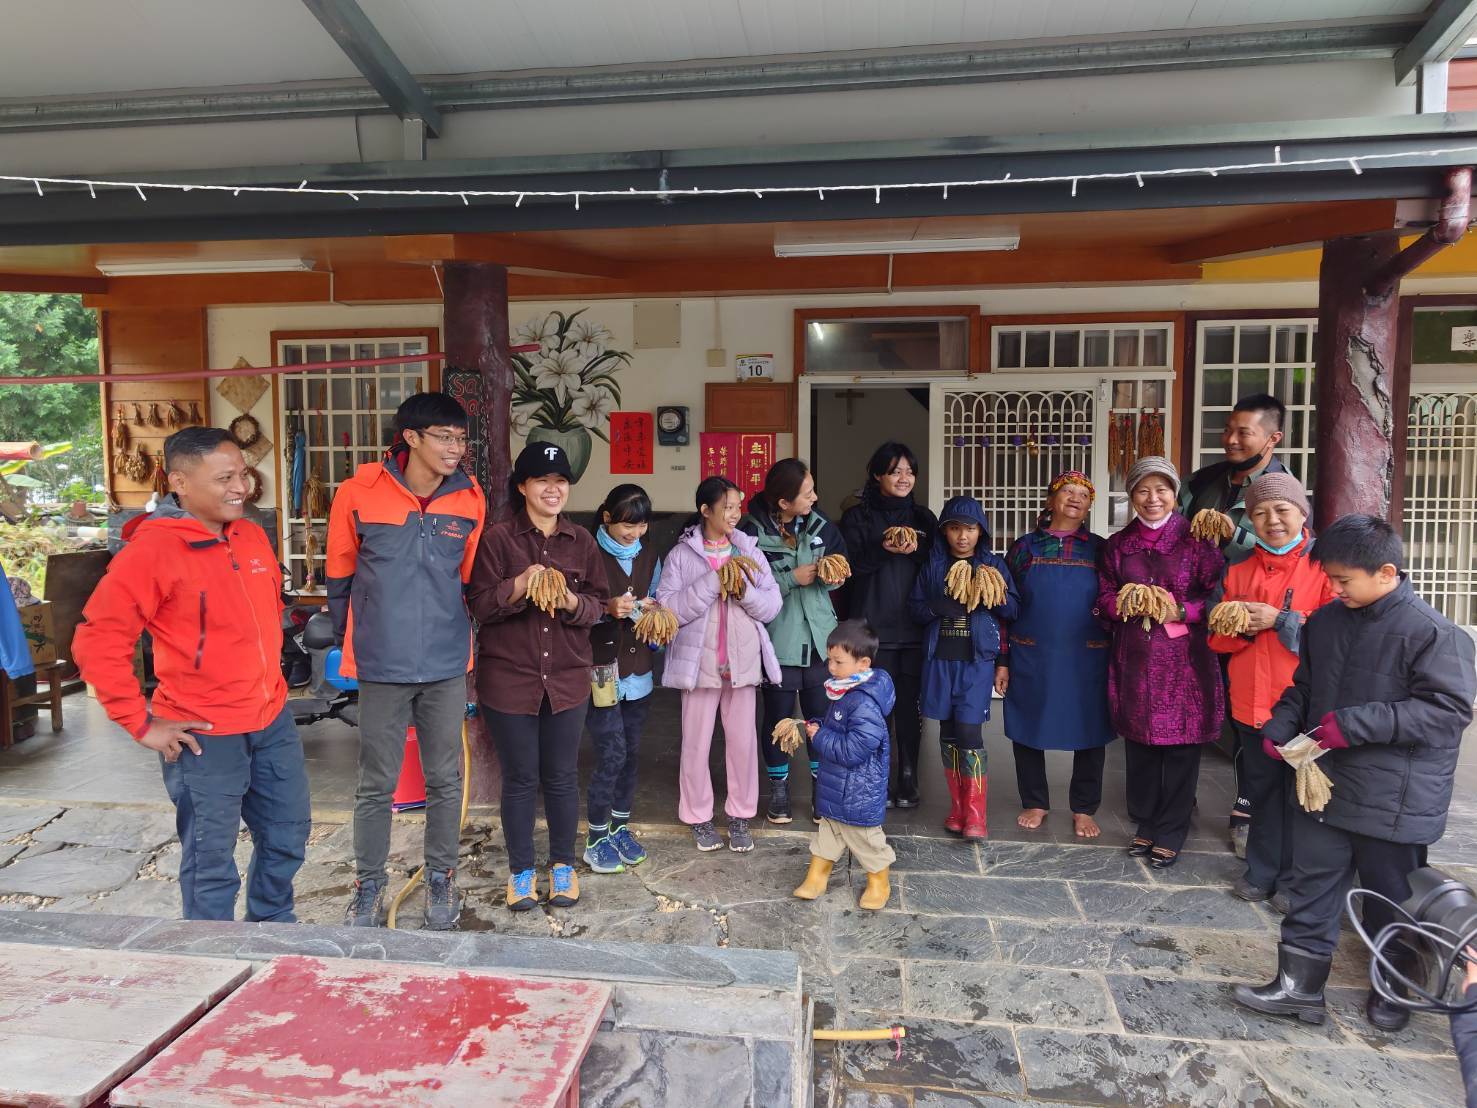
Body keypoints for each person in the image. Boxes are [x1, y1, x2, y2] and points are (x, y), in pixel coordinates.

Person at [1234, 515, 1476, 1031]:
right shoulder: (1324, 623)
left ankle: (1395, 989)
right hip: (1327, 786)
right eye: (1332, 579)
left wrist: (1357, 723)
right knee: (1311, 886)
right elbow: (1304, 687)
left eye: (1344, 580)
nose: (1335, 588)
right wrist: (1281, 724)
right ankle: (1299, 987)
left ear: (1387, 572)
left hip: (1396, 797)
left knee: (1390, 900)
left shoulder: (1436, 634)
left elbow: (1448, 712)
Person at [73, 427, 311, 922]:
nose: (240, 487)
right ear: (180, 481)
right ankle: (212, 958)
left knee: (288, 836)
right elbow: (99, 639)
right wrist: (139, 722)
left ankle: (273, 931)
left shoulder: (249, 535)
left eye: (242, 474)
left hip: (270, 721)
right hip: (203, 734)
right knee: (211, 862)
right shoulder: (151, 551)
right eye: (225, 477)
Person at [327, 392, 486, 930]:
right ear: (411, 438)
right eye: (445, 437)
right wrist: (362, 638)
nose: (455, 449)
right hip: (382, 662)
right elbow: (340, 577)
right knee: (377, 782)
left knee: (445, 778)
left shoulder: (470, 499)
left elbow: (464, 579)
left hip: (444, 662)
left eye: (461, 439)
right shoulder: (357, 492)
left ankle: (442, 878)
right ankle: (368, 885)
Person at [469, 441, 608, 911]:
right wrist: (520, 585)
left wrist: (569, 601)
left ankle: (563, 865)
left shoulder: (582, 542)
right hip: (510, 680)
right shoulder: (498, 539)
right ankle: (521, 872)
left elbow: (598, 607)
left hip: (567, 679)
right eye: (544, 480)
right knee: (521, 778)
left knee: (564, 777)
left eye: (561, 481)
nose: (554, 489)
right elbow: (480, 606)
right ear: (524, 486)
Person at [1207, 472, 1332, 910]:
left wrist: (1281, 620)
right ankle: (1261, 872)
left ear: (1303, 513)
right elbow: (1217, 639)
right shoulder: (1238, 570)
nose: (1272, 520)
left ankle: (1298, 881)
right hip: (1250, 703)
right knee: (1262, 791)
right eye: (1260, 513)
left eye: (1282, 510)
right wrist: (1240, 626)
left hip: (1303, 709)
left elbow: (1340, 636)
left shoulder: (1325, 568)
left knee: (1304, 796)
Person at [1096, 456, 1224, 870]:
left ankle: (1173, 828)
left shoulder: (1197, 541)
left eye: (1162, 489)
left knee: (1183, 748)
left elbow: (1217, 597)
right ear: (1132, 496)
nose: (1153, 499)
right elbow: (1102, 598)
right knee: (1141, 746)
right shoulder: (1119, 545)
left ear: (1175, 494)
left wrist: (1181, 611)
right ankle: (1147, 823)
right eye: (1143, 490)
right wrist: (1127, 604)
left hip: (1185, 663)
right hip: (1135, 656)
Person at [1178, 393, 1289, 857]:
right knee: (1190, 705)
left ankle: (1247, 807)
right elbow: (1173, 532)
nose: (1232, 439)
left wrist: (1234, 533)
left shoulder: (1282, 488)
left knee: (1251, 718)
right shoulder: (1203, 480)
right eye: (1228, 430)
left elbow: (1284, 546)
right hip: (1196, 613)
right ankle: (1177, 801)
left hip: (1251, 620)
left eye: (1245, 432)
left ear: (1272, 438)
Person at [655, 476, 782, 853]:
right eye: (726, 507)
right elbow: (669, 609)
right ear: (705, 510)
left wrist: (742, 590)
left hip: (741, 667)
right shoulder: (681, 556)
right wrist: (713, 582)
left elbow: (772, 605)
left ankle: (741, 816)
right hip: (698, 669)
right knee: (695, 745)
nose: (734, 514)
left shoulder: (750, 553)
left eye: (737, 506)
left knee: (742, 744)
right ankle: (698, 816)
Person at [998, 471, 1114, 838]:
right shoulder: (1025, 547)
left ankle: (1084, 807)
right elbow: (1005, 605)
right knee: (1028, 724)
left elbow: (1113, 601)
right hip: (1033, 651)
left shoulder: (1100, 549)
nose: (1076, 498)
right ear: (1051, 501)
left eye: (1084, 494)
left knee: (1091, 728)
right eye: (1068, 492)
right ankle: (1035, 801)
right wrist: (1002, 659)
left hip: (1089, 653)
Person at [739, 458, 847, 825]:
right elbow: (745, 586)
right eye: (807, 493)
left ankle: (822, 789)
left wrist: (833, 576)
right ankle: (780, 789)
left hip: (820, 640)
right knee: (777, 719)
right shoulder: (750, 532)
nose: (815, 497)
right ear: (783, 502)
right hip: (778, 641)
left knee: (821, 719)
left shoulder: (822, 527)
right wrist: (790, 578)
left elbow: (841, 572)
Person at [907, 496, 1019, 840]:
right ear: (945, 532)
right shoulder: (933, 567)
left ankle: (975, 815)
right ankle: (957, 808)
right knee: (948, 734)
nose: (962, 536)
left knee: (970, 734)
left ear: (980, 531)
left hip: (976, 663)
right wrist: (937, 607)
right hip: (940, 660)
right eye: (954, 528)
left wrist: (993, 597)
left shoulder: (993, 566)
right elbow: (915, 609)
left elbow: (1013, 611)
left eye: (969, 528)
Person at [839, 443, 937, 808]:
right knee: (868, 707)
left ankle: (908, 774)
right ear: (878, 475)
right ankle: (869, 776)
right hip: (870, 628)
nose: (904, 477)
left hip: (912, 628)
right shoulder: (857, 520)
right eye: (895, 470)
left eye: (910, 471)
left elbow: (936, 569)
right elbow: (849, 570)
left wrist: (918, 550)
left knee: (909, 709)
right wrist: (885, 549)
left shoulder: (925, 520)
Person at [582, 483, 662, 875]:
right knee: (610, 754)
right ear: (607, 518)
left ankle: (619, 827)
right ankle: (596, 835)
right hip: (600, 671)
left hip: (639, 673)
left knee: (630, 754)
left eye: (642, 525)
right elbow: (574, 609)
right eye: (627, 525)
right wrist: (607, 609)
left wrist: (653, 611)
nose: (634, 533)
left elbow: (660, 600)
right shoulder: (587, 553)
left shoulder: (650, 555)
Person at [792, 619, 897, 910]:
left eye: (839, 661)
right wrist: (819, 726)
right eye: (830, 659)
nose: (831, 667)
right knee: (828, 835)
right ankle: (817, 876)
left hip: (858, 790)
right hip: (838, 784)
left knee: (866, 839)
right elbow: (839, 729)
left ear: (863, 663)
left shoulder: (864, 702)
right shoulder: (846, 690)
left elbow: (855, 748)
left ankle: (879, 882)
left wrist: (820, 736)